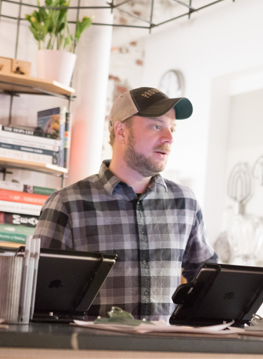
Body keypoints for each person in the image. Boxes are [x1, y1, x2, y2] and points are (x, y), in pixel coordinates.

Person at [34, 87, 218, 321]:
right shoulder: (67, 204)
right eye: (156, 126)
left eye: (172, 128)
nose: (169, 138)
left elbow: (209, 282)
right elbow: (36, 296)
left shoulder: (185, 203)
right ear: (121, 131)